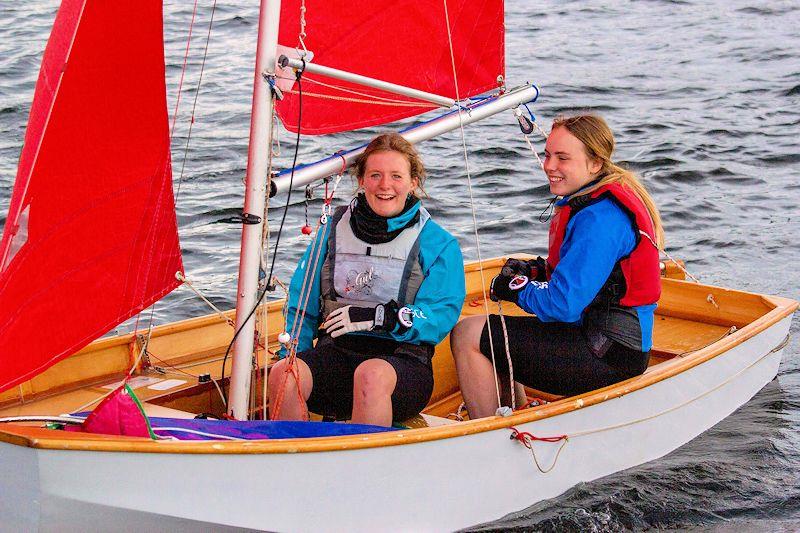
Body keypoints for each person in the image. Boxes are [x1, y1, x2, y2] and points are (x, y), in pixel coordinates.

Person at [451, 114, 664, 419]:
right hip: (609, 343)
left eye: (562, 158)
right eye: (548, 154)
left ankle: (489, 434)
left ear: (595, 163)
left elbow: (563, 305)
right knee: (498, 331)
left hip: (607, 354)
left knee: (468, 334)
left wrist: (516, 288)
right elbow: (586, 275)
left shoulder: (600, 219)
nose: (548, 165)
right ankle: (515, 413)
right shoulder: (595, 201)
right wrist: (535, 271)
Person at [268, 133, 465, 427]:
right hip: (338, 355)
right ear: (361, 180)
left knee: (370, 375)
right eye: (375, 175)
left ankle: (367, 468)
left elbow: (439, 315)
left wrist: (384, 317)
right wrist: (291, 354)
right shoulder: (332, 232)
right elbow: (301, 304)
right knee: (284, 373)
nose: (385, 185)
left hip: (403, 365)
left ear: (413, 183)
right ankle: (292, 460)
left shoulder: (438, 243)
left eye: (396, 176)